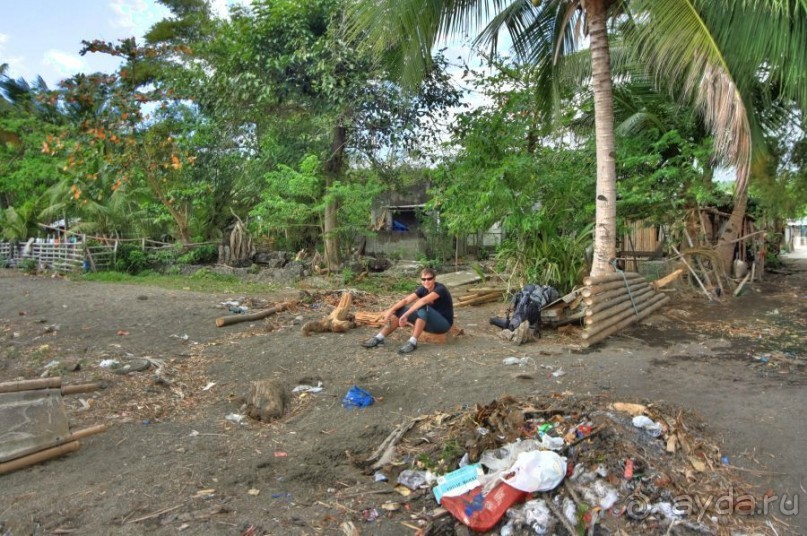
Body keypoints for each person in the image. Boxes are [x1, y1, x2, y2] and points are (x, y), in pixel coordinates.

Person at [361, 267, 453, 354]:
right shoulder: (423, 289)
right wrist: (391, 310)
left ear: (434, 279)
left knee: (422, 306)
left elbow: (423, 301)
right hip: (429, 324)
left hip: (443, 324)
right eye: (423, 279)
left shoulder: (440, 289)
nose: (426, 282)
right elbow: (406, 300)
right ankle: (379, 338)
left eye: (429, 279)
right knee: (399, 310)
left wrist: (406, 315)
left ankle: (413, 342)